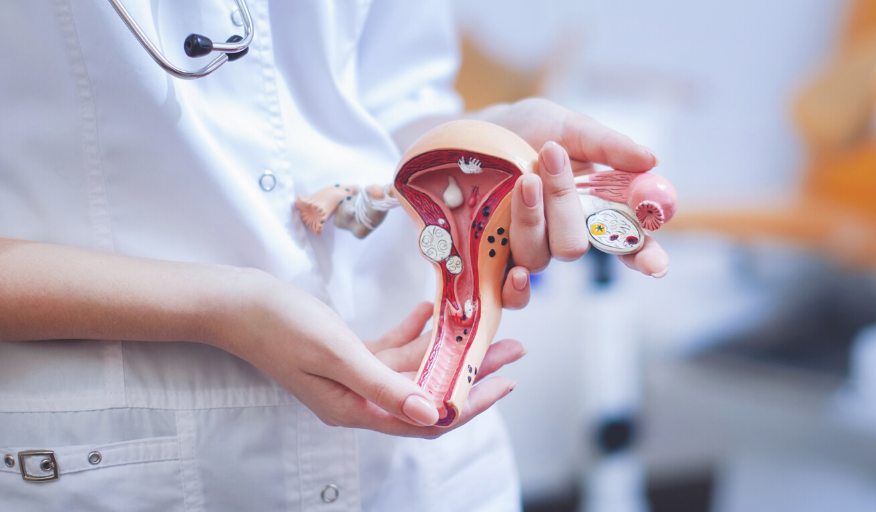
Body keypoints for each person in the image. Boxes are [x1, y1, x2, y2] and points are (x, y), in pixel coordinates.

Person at [0, 0, 668, 510]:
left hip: (415, 467)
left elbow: (387, 109)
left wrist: (479, 157)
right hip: (125, 461)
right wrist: (222, 307)